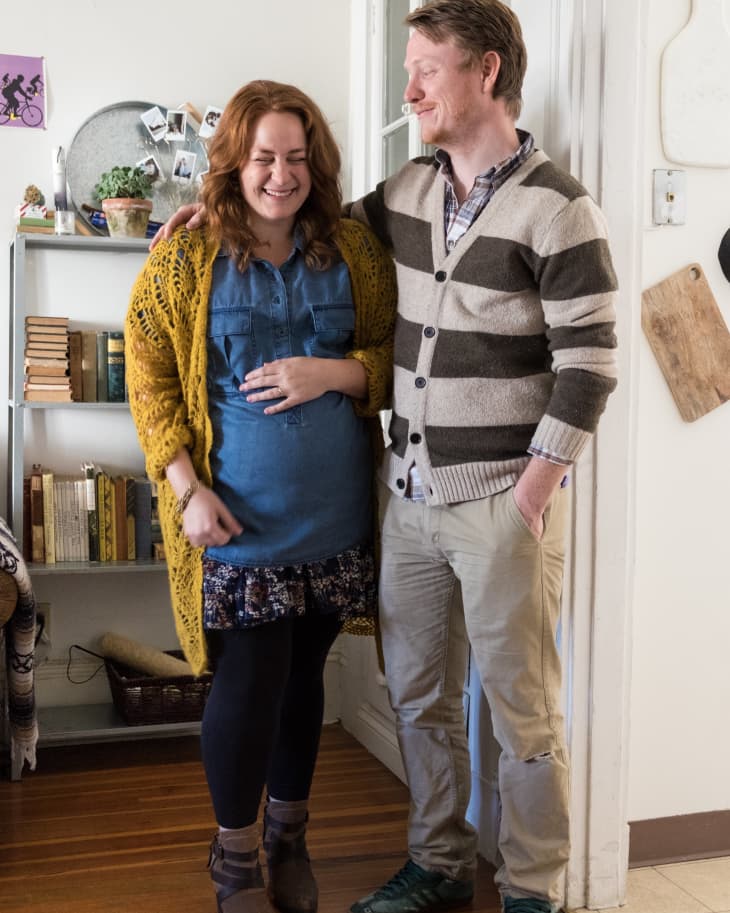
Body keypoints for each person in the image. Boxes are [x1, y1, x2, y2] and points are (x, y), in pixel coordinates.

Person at [152, 2, 619, 911]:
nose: (408, 90)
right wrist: (209, 203)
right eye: (407, 69)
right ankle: (440, 864)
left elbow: (591, 364)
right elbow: (295, 209)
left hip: (498, 503)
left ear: (486, 72)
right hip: (405, 502)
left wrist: (534, 489)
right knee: (420, 702)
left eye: (426, 71)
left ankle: (532, 888)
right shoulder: (404, 195)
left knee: (522, 716)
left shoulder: (559, 206)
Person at [125, 79, 396, 913]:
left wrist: (336, 372)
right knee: (249, 682)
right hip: (236, 521)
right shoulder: (187, 255)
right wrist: (185, 489)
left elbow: (391, 354)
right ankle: (235, 856)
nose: (281, 175)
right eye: (264, 158)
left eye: (296, 158)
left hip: (335, 516)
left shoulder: (356, 245)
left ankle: (290, 836)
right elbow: (150, 374)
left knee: (304, 676)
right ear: (233, 164)